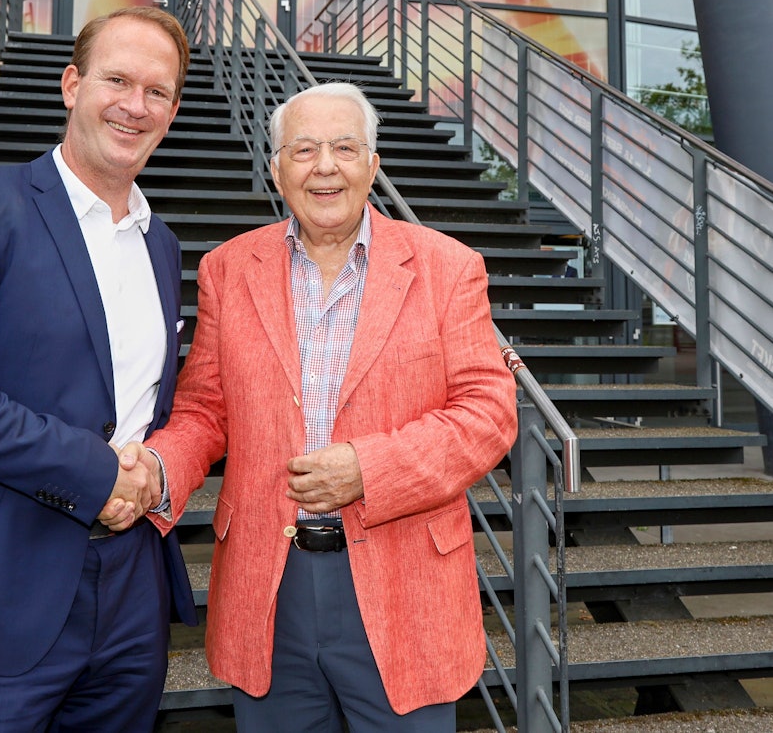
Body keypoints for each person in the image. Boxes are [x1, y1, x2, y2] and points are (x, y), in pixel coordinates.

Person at [107, 82, 519, 731]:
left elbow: (487, 411)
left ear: (372, 164)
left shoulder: (449, 267)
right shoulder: (226, 269)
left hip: (405, 584)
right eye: (302, 150)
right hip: (268, 590)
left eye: (344, 148)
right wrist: (154, 467)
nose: (324, 166)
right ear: (276, 168)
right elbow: (205, 411)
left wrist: (370, 469)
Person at [0, 5, 197, 733]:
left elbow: (136, 406)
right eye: (116, 79)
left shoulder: (162, 246)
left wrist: (147, 468)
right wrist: (94, 473)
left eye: (156, 91)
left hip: (128, 599)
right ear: (70, 86)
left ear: (172, 112)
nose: (133, 105)